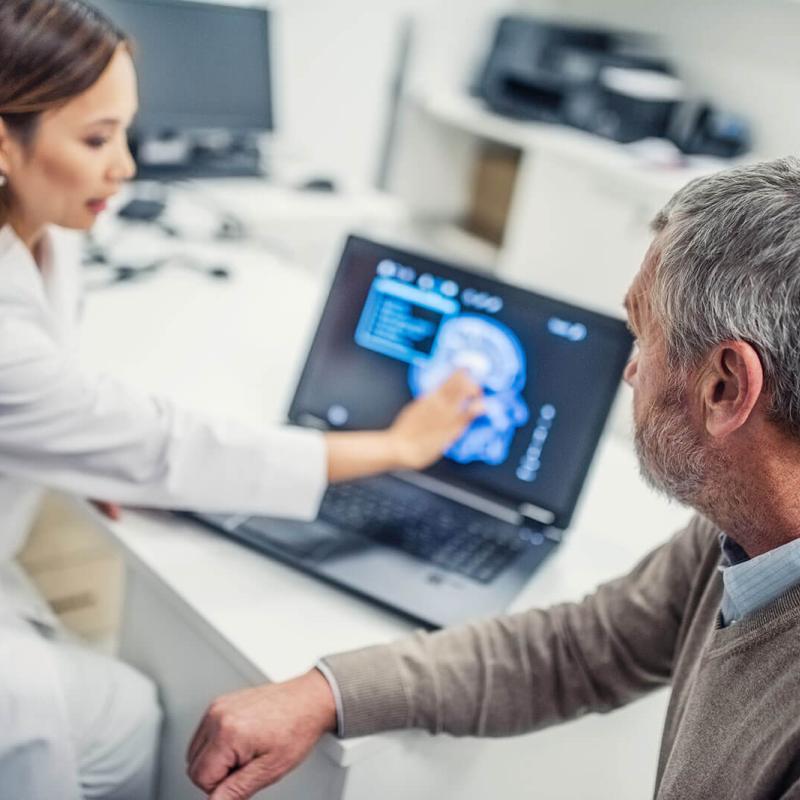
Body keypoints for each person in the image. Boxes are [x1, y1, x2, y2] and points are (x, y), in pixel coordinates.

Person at [188, 156, 800, 800]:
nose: (630, 371)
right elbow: (583, 647)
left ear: (726, 387)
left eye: (643, 338)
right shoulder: (739, 527)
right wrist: (327, 690)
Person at [0, 1, 483, 798]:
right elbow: (168, 447)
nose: (125, 167)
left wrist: (71, 438)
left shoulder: (40, 231)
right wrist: (396, 447)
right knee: (119, 723)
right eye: (94, 140)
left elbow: (58, 396)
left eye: (125, 131)